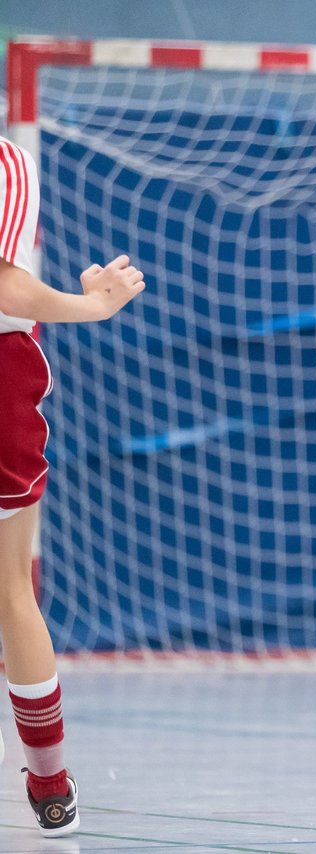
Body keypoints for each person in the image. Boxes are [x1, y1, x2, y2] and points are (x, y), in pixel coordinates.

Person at [0, 134, 146, 836]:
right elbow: (3, 284)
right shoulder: (6, 163)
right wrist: (93, 306)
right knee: (11, 592)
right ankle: (50, 787)